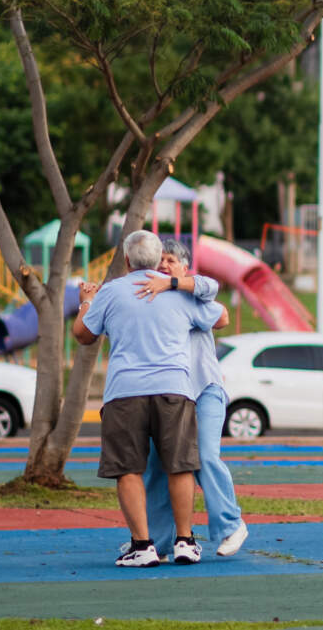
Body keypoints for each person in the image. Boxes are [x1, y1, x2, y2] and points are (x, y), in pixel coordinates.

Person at [73, 230, 226, 568]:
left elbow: (83, 335)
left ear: (127, 260)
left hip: (125, 391)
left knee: (128, 468)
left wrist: (86, 300)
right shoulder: (177, 290)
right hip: (174, 387)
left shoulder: (111, 293)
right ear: (158, 259)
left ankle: (143, 545)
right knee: (180, 464)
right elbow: (220, 317)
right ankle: (185, 541)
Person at [133, 238, 246, 561]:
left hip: (204, 391)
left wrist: (175, 287)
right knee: (157, 466)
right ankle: (160, 543)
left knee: (205, 457)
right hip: (168, 395)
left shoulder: (191, 298)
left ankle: (231, 524)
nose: (164, 265)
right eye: (161, 261)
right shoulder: (152, 299)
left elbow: (221, 313)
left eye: (171, 260)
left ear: (184, 268)